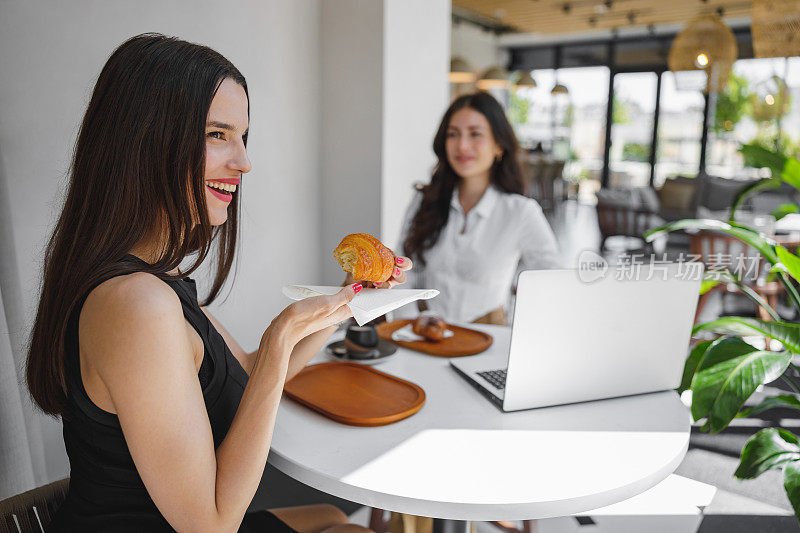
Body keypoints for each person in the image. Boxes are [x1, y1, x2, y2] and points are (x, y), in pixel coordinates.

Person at [26, 34, 411, 532]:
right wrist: (276, 342)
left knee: (334, 516)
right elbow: (210, 525)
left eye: (242, 136)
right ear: (145, 140)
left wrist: (347, 299)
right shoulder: (137, 305)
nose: (244, 161)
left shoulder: (156, 277)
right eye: (217, 135)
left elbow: (246, 377)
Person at [398, 92, 560, 325]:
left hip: (489, 342)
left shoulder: (521, 212)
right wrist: (409, 325)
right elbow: (403, 272)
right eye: (453, 134)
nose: (462, 145)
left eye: (475, 134)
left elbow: (551, 282)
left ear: (499, 146)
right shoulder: (425, 200)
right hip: (423, 336)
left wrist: (518, 324)